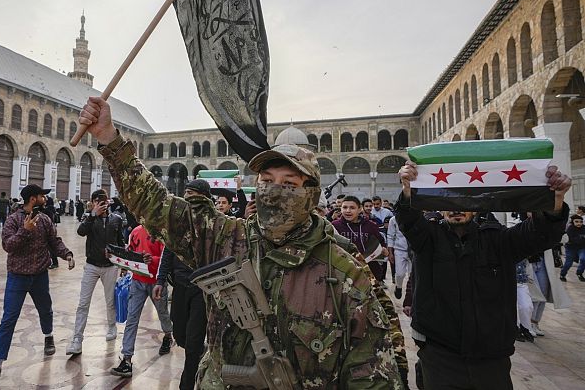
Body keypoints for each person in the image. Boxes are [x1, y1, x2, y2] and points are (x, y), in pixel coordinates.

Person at [80, 96, 402, 388]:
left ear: (311, 194)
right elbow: (155, 205)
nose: (275, 191)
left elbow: (372, 374)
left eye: (289, 183)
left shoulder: (345, 273)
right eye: (267, 181)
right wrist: (110, 139)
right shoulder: (225, 238)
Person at [396, 160, 570, 389]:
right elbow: (408, 220)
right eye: (449, 201)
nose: (456, 208)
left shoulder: (498, 240)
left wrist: (555, 200)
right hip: (440, 354)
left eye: (463, 202)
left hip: (491, 356)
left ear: (477, 205)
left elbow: (541, 233)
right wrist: (408, 190)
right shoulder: (428, 239)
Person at [0, 184, 75, 385]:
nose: (45, 199)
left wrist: (67, 254)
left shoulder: (45, 219)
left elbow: (54, 241)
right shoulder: (14, 220)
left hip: (39, 275)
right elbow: (8, 246)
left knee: (45, 309)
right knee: (9, 318)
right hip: (18, 277)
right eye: (41, 196)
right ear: (32, 198)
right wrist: (25, 230)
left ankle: (48, 335)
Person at [66, 189, 125, 355]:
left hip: (110, 266)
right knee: (83, 302)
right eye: (98, 201)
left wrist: (121, 263)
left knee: (110, 300)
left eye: (104, 201)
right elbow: (80, 232)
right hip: (91, 266)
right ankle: (77, 339)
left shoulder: (117, 219)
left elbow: (121, 243)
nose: (102, 204)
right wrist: (93, 214)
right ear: (92, 202)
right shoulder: (88, 218)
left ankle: (112, 327)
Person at [110, 224, 173, 377]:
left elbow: (168, 258)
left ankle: (168, 335)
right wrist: (119, 260)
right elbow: (130, 252)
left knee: (163, 313)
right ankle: (127, 359)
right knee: (132, 318)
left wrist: (153, 259)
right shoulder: (136, 232)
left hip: (156, 281)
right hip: (137, 281)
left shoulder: (161, 233)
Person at [155, 241, 206, 390]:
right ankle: (199, 351)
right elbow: (168, 252)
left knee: (193, 343)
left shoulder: (206, 224)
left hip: (201, 289)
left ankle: (186, 385)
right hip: (180, 286)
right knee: (180, 336)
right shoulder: (177, 226)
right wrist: (160, 280)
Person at [332, 195, 388, 282]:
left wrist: (384, 250)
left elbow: (381, 243)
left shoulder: (371, 225)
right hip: (344, 272)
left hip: (370, 272)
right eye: (345, 207)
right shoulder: (334, 226)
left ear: (360, 209)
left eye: (352, 208)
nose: (348, 211)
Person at [387, 216, 411, 299]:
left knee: (412, 275)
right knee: (400, 274)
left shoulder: (418, 217)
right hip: (400, 250)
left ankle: (411, 294)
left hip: (414, 251)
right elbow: (390, 236)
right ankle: (399, 287)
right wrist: (390, 253)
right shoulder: (394, 219)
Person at [560, 214, 585, 281]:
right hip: (570, 248)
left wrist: (580, 239)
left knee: (583, 259)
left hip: (581, 248)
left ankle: (579, 273)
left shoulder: (584, 228)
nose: (579, 223)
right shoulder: (570, 228)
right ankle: (562, 274)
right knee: (568, 263)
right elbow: (572, 239)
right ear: (573, 222)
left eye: (581, 222)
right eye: (576, 221)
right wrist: (582, 238)